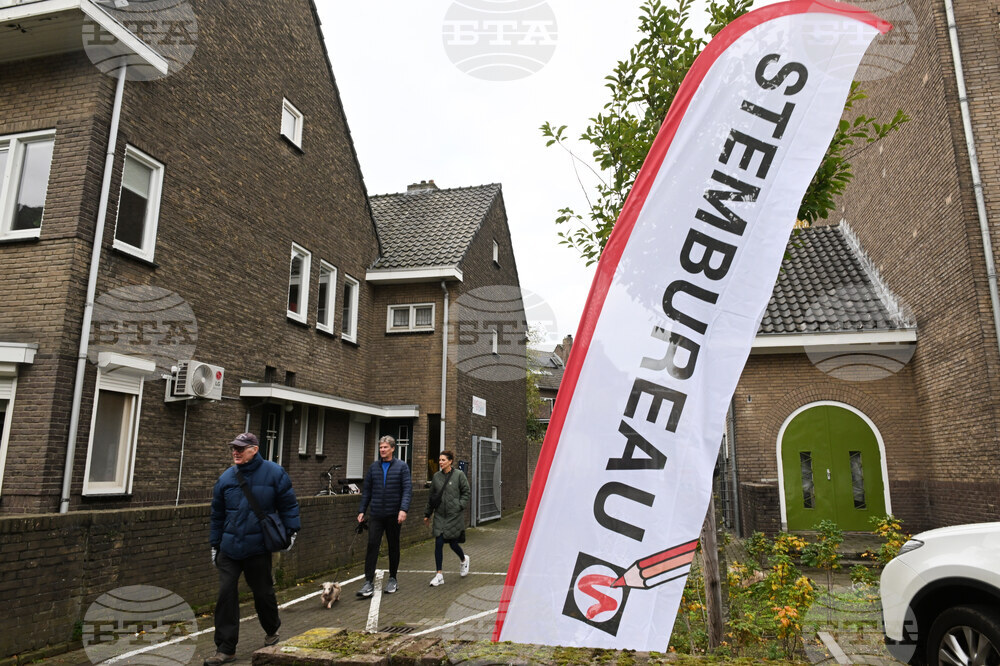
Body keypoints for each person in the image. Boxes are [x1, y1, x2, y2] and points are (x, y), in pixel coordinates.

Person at [205, 433, 300, 666]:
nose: (235, 452)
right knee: (226, 595)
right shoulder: (226, 478)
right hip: (229, 548)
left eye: (240, 448)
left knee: (263, 593)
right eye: (233, 449)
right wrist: (215, 545)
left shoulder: (275, 473)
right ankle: (226, 648)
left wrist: (291, 533)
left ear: (254, 449)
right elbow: (217, 514)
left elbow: (288, 505)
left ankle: (271, 629)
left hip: (258, 547)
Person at [357, 435, 412, 597]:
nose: (382, 450)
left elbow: (407, 490)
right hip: (376, 514)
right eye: (380, 447)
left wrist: (403, 509)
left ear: (393, 449)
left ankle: (393, 578)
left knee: (393, 546)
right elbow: (367, 491)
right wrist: (361, 510)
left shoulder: (402, 467)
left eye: (385, 447)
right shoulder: (374, 468)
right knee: (372, 545)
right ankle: (368, 582)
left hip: (394, 515)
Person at [423, 450, 471, 586]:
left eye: (443, 460)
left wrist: (459, 505)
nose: (440, 462)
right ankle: (439, 574)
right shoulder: (436, 477)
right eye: (439, 460)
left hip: (453, 516)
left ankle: (463, 559)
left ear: (450, 461)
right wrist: (427, 514)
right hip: (439, 515)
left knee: (452, 543)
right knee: (438, 542)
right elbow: (431, 498)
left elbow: (466, 492)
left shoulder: (459, 475)